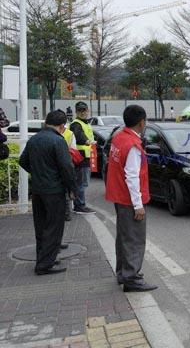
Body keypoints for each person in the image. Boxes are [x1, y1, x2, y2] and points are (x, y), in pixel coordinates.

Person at [105, 105, 157, 292]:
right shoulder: (133, 145)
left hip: (118, 195)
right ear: (142, 122)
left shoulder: (118, 138)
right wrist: (138, 205)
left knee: (124, 237)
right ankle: (131, 278)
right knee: (134, 239)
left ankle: (123, 273)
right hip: (129, 199)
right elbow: (132, 176)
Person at [19, 110, 77, 275]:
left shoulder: (34, 139)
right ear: (62, 126)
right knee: (54, 227)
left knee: (41, 226)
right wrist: (72, 188)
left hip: (38, 190)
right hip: (54, 191)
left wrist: (37, 173)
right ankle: (45, 265)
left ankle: (44, 258)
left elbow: (23, 161)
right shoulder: (58, 141)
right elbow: (66, 167)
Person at [70, 101, 96, 214]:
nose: (83, 113)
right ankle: (80, 205)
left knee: (83, 182)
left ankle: (80, 204)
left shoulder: (86, 123)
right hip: (80, 158)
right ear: (76, 112)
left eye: (85, 110)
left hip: (86, 157)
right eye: (80, 111)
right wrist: (86, 140)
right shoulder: (76, 124)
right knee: (81, 182)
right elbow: (79, 135)